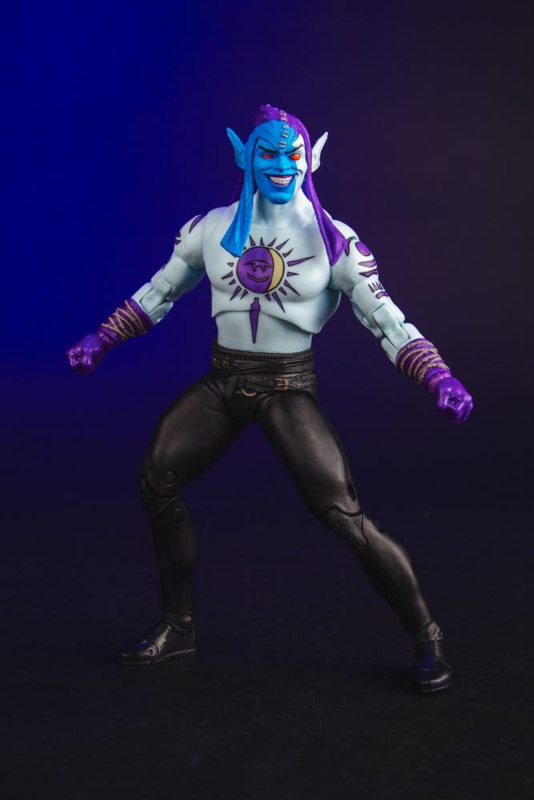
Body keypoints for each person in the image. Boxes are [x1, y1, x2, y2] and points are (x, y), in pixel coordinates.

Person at [67, 104, 473, 693]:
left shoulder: (335, 241)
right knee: (157, 476)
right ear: (244, 155)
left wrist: (438, 376)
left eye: (293, 152)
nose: (281, 163)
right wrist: (103, 338)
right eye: (267, 151)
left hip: (288, 388)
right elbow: (161, 291)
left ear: (312, 158)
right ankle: (179, 627)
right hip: (225, 380)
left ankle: (427, 637)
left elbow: (385, 320)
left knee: (344, 517)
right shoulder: (210, 228)